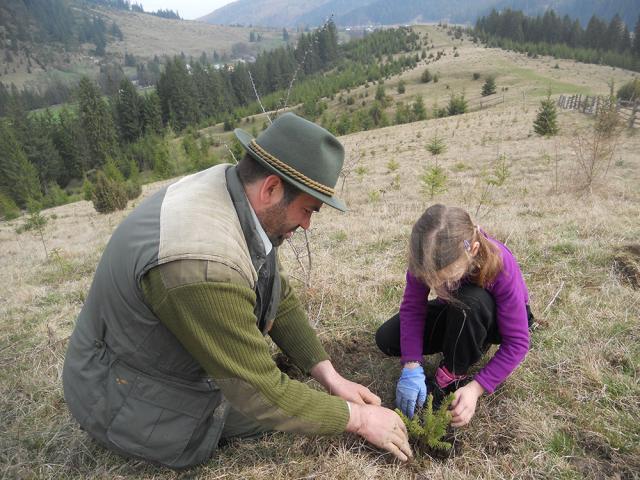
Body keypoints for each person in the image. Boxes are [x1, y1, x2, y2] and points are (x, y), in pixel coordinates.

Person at [62, 113, 412, 469]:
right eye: (307, 210)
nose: (307, 225)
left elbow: (278, 294)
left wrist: (329, 376)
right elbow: (260, 393)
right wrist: (358, 418)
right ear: (271, 188)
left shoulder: (235, 193)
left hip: (136, 365)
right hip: (121, 400)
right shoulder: (202, 266)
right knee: (277, 411)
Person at [375, 204, 532, 427]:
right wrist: (411, 363)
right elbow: (413, 308)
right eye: (431, 282)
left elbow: (518, 342)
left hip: (494, 320)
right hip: (456, 311)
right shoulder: (425, 259)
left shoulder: (500, 265)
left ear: (473, 249)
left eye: (447, 278)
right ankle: (463, 338)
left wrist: (476, 388)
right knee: (387, 339)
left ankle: (451, 374)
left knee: (470, 302)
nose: (439, 287)